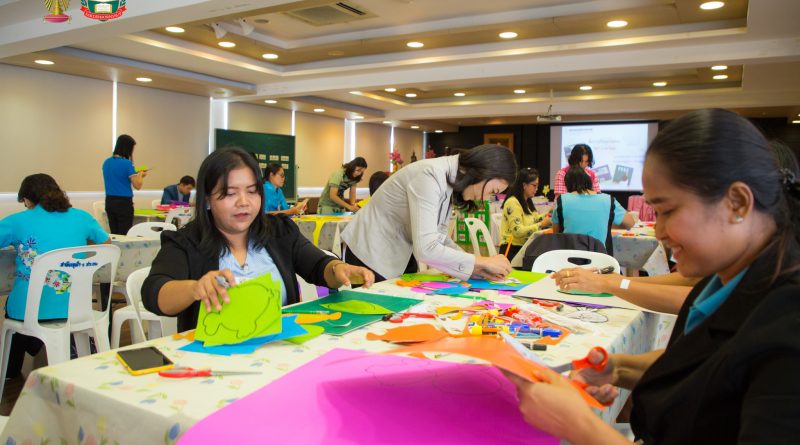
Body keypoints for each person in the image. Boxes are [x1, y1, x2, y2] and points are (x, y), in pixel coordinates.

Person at [503, 108, 800, 444]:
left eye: (668, 211)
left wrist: (578, 425)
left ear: (737, 203)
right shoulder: (728, 281)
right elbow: (709, 363)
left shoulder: (788, 324)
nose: (658, 231)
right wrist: (618, 368)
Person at [141, 147, 374, 332]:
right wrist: (194, 288)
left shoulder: (279, 231)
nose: (244, 202)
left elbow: (318, 266)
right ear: (208, 199)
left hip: (280, 351)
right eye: (230, 193)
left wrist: (339, 269)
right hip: (213, 361)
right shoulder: (187, 241)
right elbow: (154, 293)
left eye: (252, 191)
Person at [341, 144, 517, 282]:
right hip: (369, 254)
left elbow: (439, 237)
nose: (486, 199)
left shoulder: (448, 178)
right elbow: (426, 249)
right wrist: (481, 261)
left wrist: (475, 267)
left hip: (396, 252)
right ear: (483, 172)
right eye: (492, 191)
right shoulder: (430, 176)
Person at [0, 174, 110, 377]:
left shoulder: (17, 221)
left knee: (16, 306)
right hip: (76, 307)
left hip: (28, 311)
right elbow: (106, 243)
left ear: (28, 199)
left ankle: (11, 370)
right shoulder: (82, 217)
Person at [551, 166, 634, 254]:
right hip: (601, 258)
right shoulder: (608, 200)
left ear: (567, 185)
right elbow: (630, 223)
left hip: (569, 258)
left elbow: (556, 232)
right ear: (589, 181)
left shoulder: (562, 200)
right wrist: (606, 223)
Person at [499, 167, 552, 260]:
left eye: (537, 186)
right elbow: (518, 231)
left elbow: (534, 219)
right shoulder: (512, 202)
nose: (536, 189)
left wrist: (548, 213)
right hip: (512, 250)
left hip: (523, 248)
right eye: (534, 185)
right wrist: (541, 224)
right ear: (524, 185)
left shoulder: (527, 202)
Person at [102, 134, 146, 234]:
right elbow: (137, 186)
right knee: (124, 234)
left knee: (115, 233)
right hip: (123, 203)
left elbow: (118, 178)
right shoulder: (127, 164)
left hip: (109, 201)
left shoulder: (106, 162)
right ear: (127, 148)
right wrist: (140, 175)